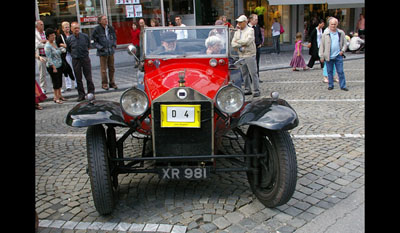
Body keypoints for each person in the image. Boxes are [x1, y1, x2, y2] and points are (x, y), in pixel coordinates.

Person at [231, 15, 260, 97]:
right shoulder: (237, 32)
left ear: (245, 22)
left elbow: (248, 41)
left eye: (240, 22)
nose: (239, 24)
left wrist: (238, 42)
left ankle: (256, 90)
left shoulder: (250, 30)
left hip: (250, 54)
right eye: (238, 22)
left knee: (253, 73)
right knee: (244, 73)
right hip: (241, 55)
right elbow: (233, 43)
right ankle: (247, 89)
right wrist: (240, 43)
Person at [66, 22, 95, 101]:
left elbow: (88, 46)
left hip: (85, 58)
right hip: (76, 59)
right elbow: (69, 49)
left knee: (88, 77)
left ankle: (91, 93)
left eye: (78, 28)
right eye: (75, 28)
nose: (77, 30)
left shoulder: (85, 36)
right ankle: (81, 95)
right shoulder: (69, 39)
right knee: (78, 78)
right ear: (71, 29)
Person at [319, 17, 348, 91]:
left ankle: (343, 86)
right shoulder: (325, 34)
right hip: (328, 55)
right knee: (329, 72)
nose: (333, 26)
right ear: (329, 24)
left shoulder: (340, 33)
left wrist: (342, 51)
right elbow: (322, 45)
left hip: (338, 55)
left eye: (335, 24)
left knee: (340, 71)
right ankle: (330, 85)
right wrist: (321, 56)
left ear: (337, 24)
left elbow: (345, 44)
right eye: (332, 24)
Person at [92, 15, 118, 90]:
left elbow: (114, 38)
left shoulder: (110, 28)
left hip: (111, 50)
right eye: (104, 19)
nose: (106, 20)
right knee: (103, 69)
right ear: (100, 21)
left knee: (112, 68)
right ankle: (104, 83)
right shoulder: (97, 29)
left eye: (106, 19)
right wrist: (100, 48)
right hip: (103, 52)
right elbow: (93, 41)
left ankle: (112, 82)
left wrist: (113, 45)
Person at [44, 28, 66, 104]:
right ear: (47, 37)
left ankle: (60, 95)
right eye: (51, 36)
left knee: (59, 80)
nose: (53, 37)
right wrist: (53, 67)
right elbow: (49, 58)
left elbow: (58, 51)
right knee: (55, 82)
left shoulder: (54, 43)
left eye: (54, 35)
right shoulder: (47, 46)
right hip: (53, 66)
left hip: (59, 64)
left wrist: (61, 50)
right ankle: (55, 97)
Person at [56, 21, 76, 92]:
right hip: (65, 55)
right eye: (65, 27)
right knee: (67, 69)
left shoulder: (72, 34)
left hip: (73, 53)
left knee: (74, 68)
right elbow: (57, 44)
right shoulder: (60, 36)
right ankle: (68, 85)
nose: (67, 28)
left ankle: (76, 84)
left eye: (68, 27)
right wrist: (63, 45)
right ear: (62, 28)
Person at [248, 14, 263, 78]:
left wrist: (260, 43)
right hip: (250, 48)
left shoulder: (257, 27)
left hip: (257, 47)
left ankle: (257, 77)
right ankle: (250, 77)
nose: (256, 21)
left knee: (257, 63)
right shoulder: (248, 27)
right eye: (255, 19)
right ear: (251, 20)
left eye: (257, 20)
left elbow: (259, 35)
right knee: (250, 63)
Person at [35, 20, 48, 94]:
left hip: (48, 55)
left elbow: (51, 42)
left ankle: (56, 87)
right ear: (37, 26)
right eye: (41, 24)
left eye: (43, 24)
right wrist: (45, 43)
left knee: (53, 72)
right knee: (42, 73)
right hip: (40, 56)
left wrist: (43, 42)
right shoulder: (36, 34)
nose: (43, 26)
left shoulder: (45, 33)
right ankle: (43, 88)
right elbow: (37, 45)